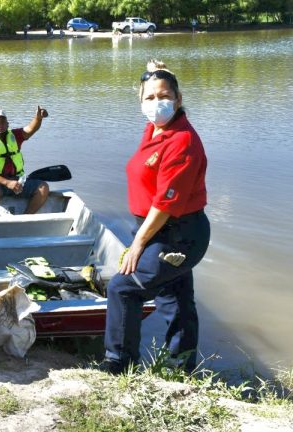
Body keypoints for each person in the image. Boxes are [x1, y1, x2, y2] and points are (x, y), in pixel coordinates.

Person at [101, 60, 210, 375]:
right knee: (174, 298)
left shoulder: (182, 141)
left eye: (164, 96)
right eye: (149, 97)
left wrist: (137, 244)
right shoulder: (156, 130)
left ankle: (119, 364)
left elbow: (164, 204)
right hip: (162, 230)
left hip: (177, 232)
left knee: (123, 287)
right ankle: (181, 369)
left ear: (177, 99)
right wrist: (158, 72)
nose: (156, 103)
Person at [0, 107, 50, 216]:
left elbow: (30, 129)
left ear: (8, 124)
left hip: (18, 181)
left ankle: (26, 217)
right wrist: (7, 183)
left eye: (3, 122)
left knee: (43, 188)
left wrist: (38, 118)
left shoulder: (15, 136)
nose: (0, 125)